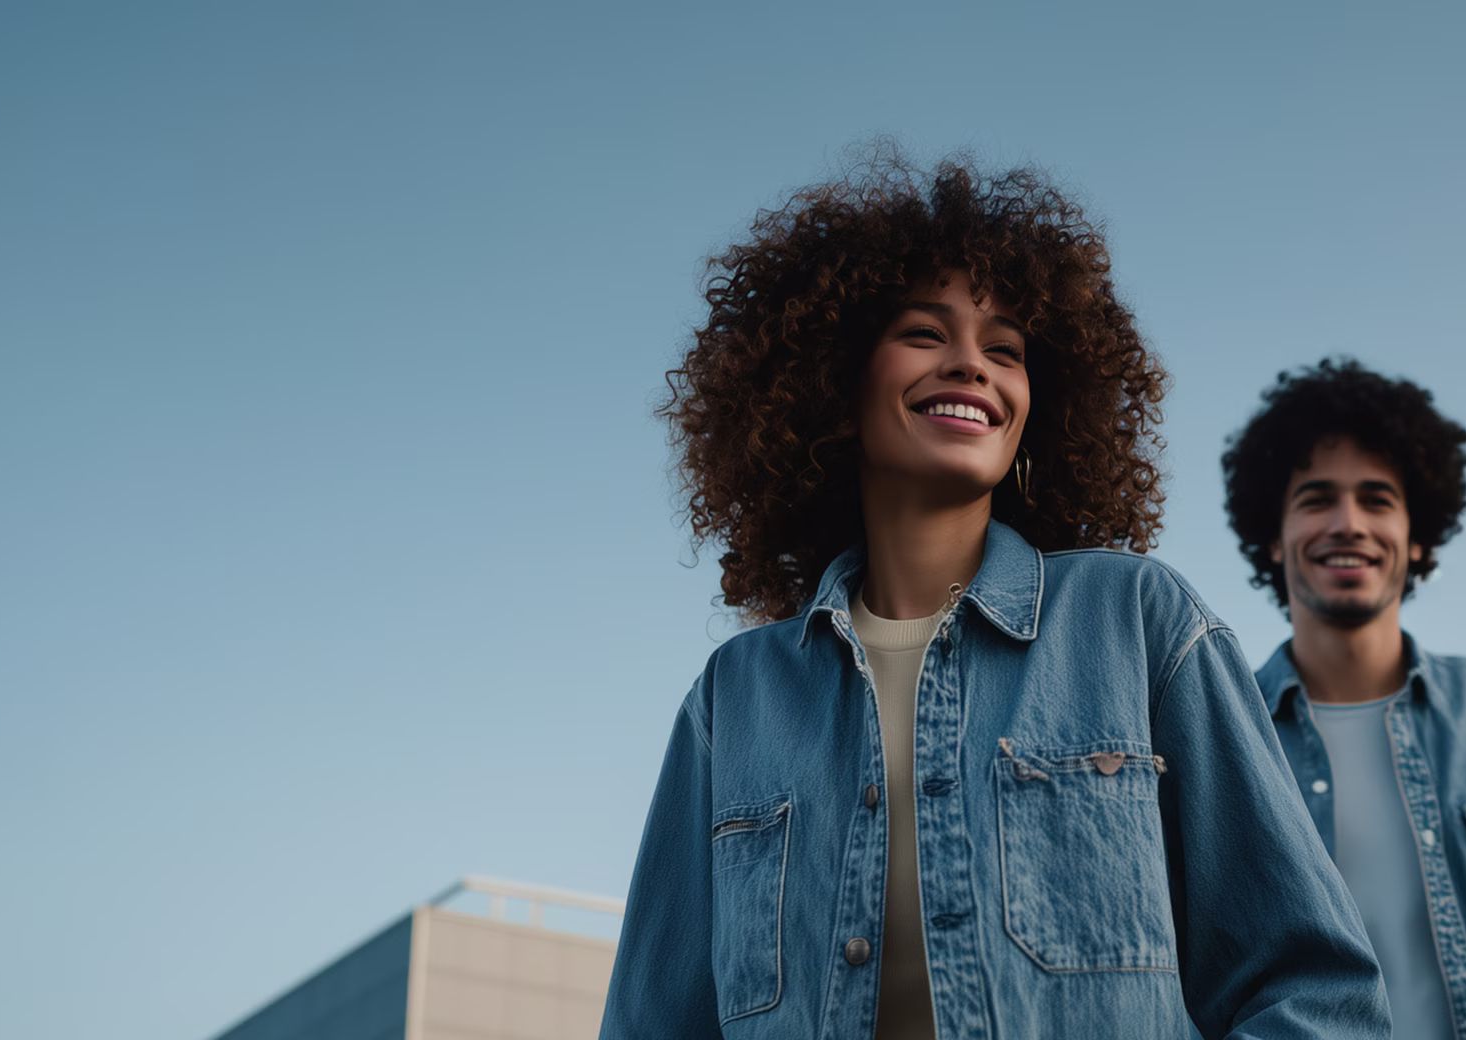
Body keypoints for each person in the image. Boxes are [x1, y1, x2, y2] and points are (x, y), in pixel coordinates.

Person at [598, 155, 1388, 1039]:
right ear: (833, 379)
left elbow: (1313, 992)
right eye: (926, 334)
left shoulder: (1136, 622)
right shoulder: (733, 698)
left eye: (1004, 349)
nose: (972, 365)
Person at [1224, 359, 1466, 1039]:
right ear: (1273, 538)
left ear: (1417, 537)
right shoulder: (1219, 736)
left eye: (1376, 499)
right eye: (1315, 499)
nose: (1347, 523)